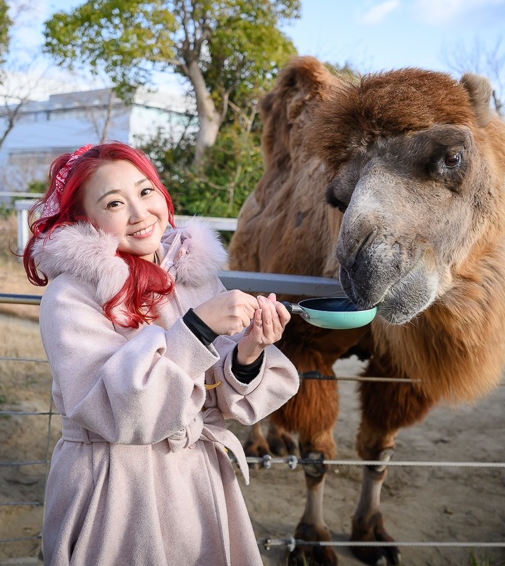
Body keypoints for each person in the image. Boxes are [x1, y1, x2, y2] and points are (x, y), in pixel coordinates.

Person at [22, 142, 300, 566]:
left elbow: (214, 394)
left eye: (146, 191)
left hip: (197, 481)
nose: (139, 213)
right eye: (114, 202)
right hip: (116, 488)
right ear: (85, 220)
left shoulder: (192, 277)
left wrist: (250, 350)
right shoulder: (71, 296)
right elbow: (120, 414)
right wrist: (198, 328)